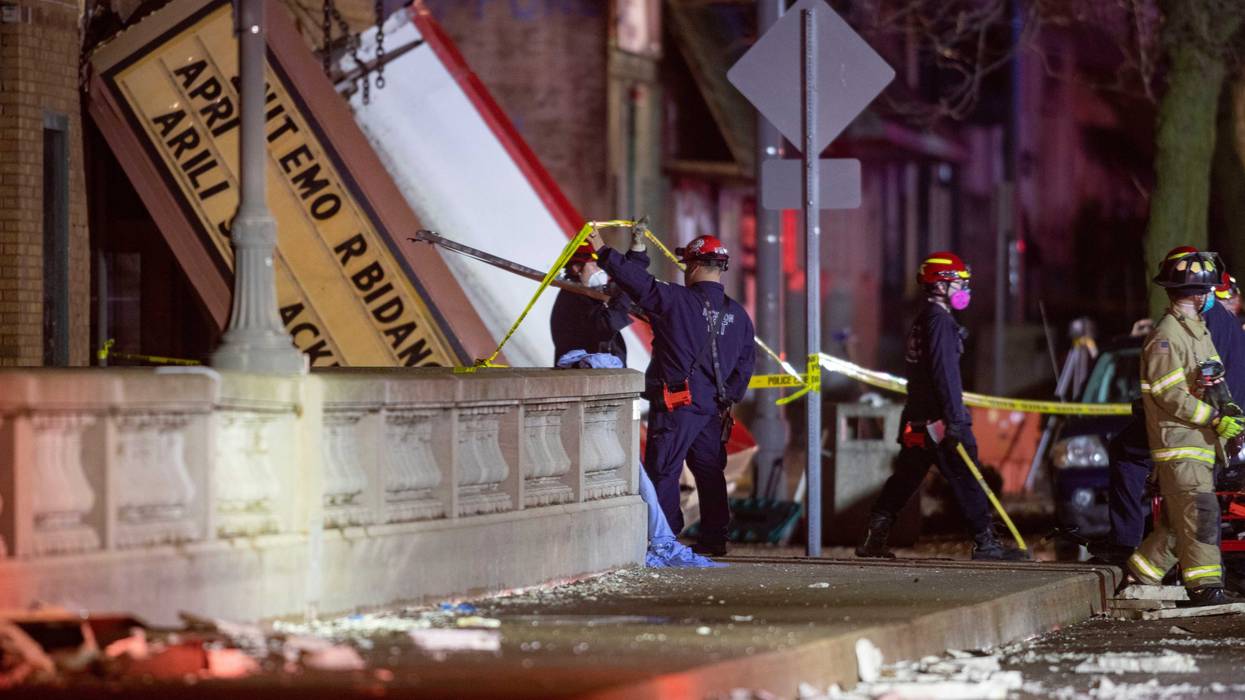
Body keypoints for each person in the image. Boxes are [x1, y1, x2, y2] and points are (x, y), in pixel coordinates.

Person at [588, 227, 756, 557]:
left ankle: (665, 537)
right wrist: (727, 398)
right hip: (713, 408)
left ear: (691, 266)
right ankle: (715, 536)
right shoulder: (739, 316)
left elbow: (640, 285)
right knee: (709, 471)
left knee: (665, 468)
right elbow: (746, 364)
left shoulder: (675, 301)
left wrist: (604, 251)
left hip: (677, 403)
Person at [856, 252, 1026, 561]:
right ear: (941, 285)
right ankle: (986, 543)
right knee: (968, 478)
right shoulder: (940, 322)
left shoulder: (924, 320)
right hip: (940, 421)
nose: (964, 288)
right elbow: (945, 374)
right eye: (960, 282)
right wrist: (955, 421)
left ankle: (874, 538)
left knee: (905, 479)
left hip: (919, 419)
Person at [1093, 251, 1245, 566]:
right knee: (1190, 506)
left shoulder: (1189, 328)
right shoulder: (1224, 322)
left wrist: (1213, 419)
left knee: (1126, 453)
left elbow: (1177, 391)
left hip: (1197, 428)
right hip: (1226, 425)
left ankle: (1125, 542)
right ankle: (1153, 573)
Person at [549, 242, 646, 366]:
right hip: (587, 378)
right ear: (576, 268)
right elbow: (607, 324)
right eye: (596, 265)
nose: (602, 271)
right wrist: (626, 289)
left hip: (598, 376)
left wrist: (636, 255)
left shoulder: (589, 295)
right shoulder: (574, 298)